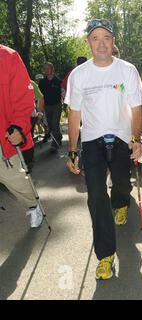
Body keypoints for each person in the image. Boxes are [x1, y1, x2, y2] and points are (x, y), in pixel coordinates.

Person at [65, 19, 142, 280]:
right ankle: (105, 255)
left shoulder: (127, 70)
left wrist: (136, 139)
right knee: (96, 196)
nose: (101, 43)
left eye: (106, 38)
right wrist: (73, 150)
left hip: (121, 138)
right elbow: (74, 113)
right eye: (95, 38)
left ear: (113, 42)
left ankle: (122, 201)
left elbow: (136, 109)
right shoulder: (79, 75)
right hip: (91, 142)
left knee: (121, 184)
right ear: (88, 42)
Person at [0, 44, 43, 228]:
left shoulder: (8, 57)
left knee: (13, 178)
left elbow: (24, 97)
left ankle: (34, 206)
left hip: (3, 136)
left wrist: (19, 126)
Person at [38, 62, 63, 152]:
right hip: (47, 106)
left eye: (48, 68)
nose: (47, 70)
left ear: (52, 69)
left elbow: (63, 94)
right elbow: (40, 97)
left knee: (54, 123)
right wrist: (40, 110)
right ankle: (58, 137)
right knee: (50, 125)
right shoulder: (42, 83)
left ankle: (55, 144)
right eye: (45, 69)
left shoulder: (59, 81)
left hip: (57, 105)